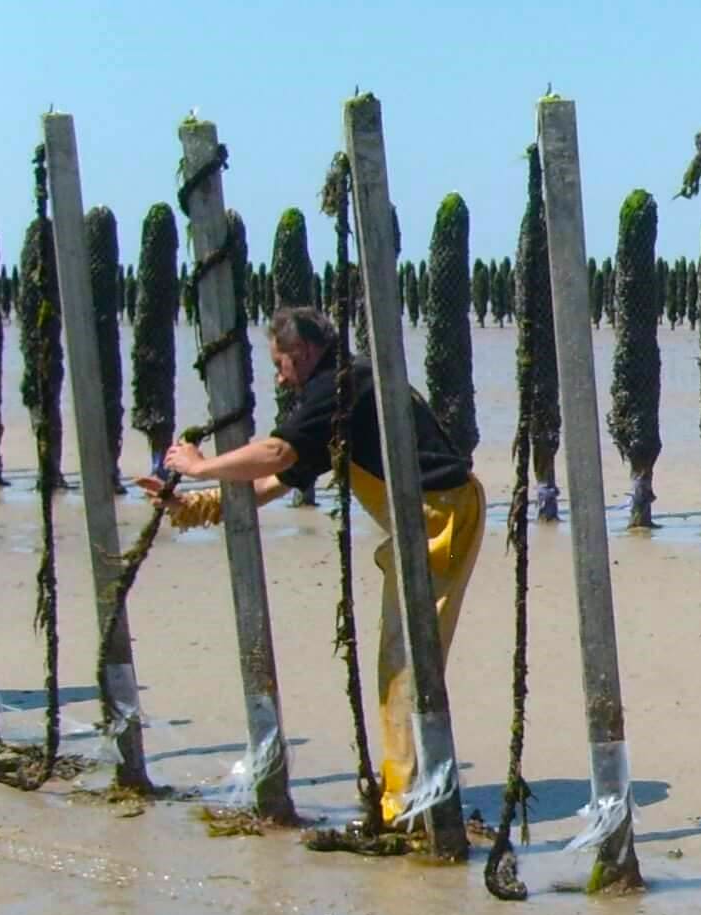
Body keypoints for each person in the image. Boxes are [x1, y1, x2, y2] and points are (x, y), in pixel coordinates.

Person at [138, 306, 484, 826]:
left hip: (444, 518)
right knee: (403, 661)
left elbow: (276, 454)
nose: (279, 376)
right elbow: (271, 484)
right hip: (430, 517)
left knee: (407, 662)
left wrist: (200, 464)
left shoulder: (343, 387)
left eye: (280, 363)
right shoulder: (338, 394)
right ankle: (408, 791)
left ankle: (407, 804)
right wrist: (193, 503)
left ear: (300, 352)